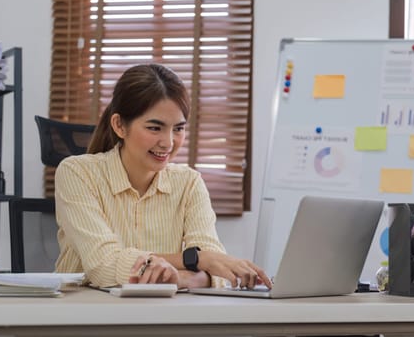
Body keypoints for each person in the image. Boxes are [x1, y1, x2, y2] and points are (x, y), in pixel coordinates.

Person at [54, 63, 272, 290]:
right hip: (83, 315)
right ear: (119, 125)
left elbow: (217, 270)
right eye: (154, 128)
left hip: (164, 316)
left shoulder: (189, 183)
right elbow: (103, 265)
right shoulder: (76, 173)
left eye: (178, 129)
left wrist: (181, 277)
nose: (168, 143)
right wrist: (195, 260)